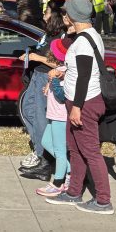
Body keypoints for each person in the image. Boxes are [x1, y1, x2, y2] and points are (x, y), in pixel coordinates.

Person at [46, 0, 113, 214]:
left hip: (84, 103)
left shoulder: (84, 41)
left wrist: (76, 107)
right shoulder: (86, 35)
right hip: (77, 101)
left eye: (66, 13)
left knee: (91, 152)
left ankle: (103, 200)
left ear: (74, 15)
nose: (64, 15)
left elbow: (84, 76)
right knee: (75, 150)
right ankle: (74, 192)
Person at [18, 0, 67, 180]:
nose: (44, 15)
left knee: (40, 119)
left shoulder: (60, 38)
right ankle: (40, 148)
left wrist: (36, 57)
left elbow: (59, 63)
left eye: (46, 13)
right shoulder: (47, 35)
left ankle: (44, 160)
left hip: (46, 77)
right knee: (27, 110)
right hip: (36, 76)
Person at [33, 38, 71, 197]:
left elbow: (63, 96)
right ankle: (71, 172)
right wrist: (50, 83)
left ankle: (58, 183)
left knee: (60, 151)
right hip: (54, 115)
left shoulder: (66, 72)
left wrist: (54, 81)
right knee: (46, 142)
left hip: (61, 116)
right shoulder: (60, 69)